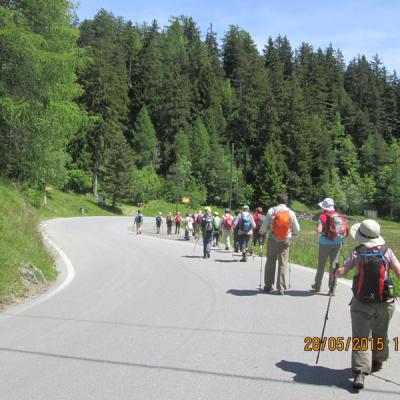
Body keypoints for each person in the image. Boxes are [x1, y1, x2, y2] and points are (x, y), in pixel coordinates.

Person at [336, 220, 400, 389]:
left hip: (361, 302)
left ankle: (360, 372)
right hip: (385, 302)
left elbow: (343, 272)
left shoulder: (357, 252)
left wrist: (337, 271)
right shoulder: (387, 251)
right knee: (381, 333)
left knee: (361, 336)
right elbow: (398, 271)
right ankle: (378, 360)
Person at [259, 195, 300, 294]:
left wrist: (262, 232)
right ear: (286, 202)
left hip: (273, 239)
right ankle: (281, 288)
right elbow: (297, 229)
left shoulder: (271, 211)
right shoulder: (290, 212)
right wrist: (292, 234)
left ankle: (268, 286)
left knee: (270, 261)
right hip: (285, 240)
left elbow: (264, 227)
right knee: (283, 264)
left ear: (277, 201)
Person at [311, 198, 348, 295]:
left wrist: (318, 229)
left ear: (324, 207)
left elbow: (319, 230)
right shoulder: (339, 215)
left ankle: (317, 285)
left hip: (324, 243)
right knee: (333, 266)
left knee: (321, 265)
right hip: (337, 242)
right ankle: (332, 289)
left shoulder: (322, 216)